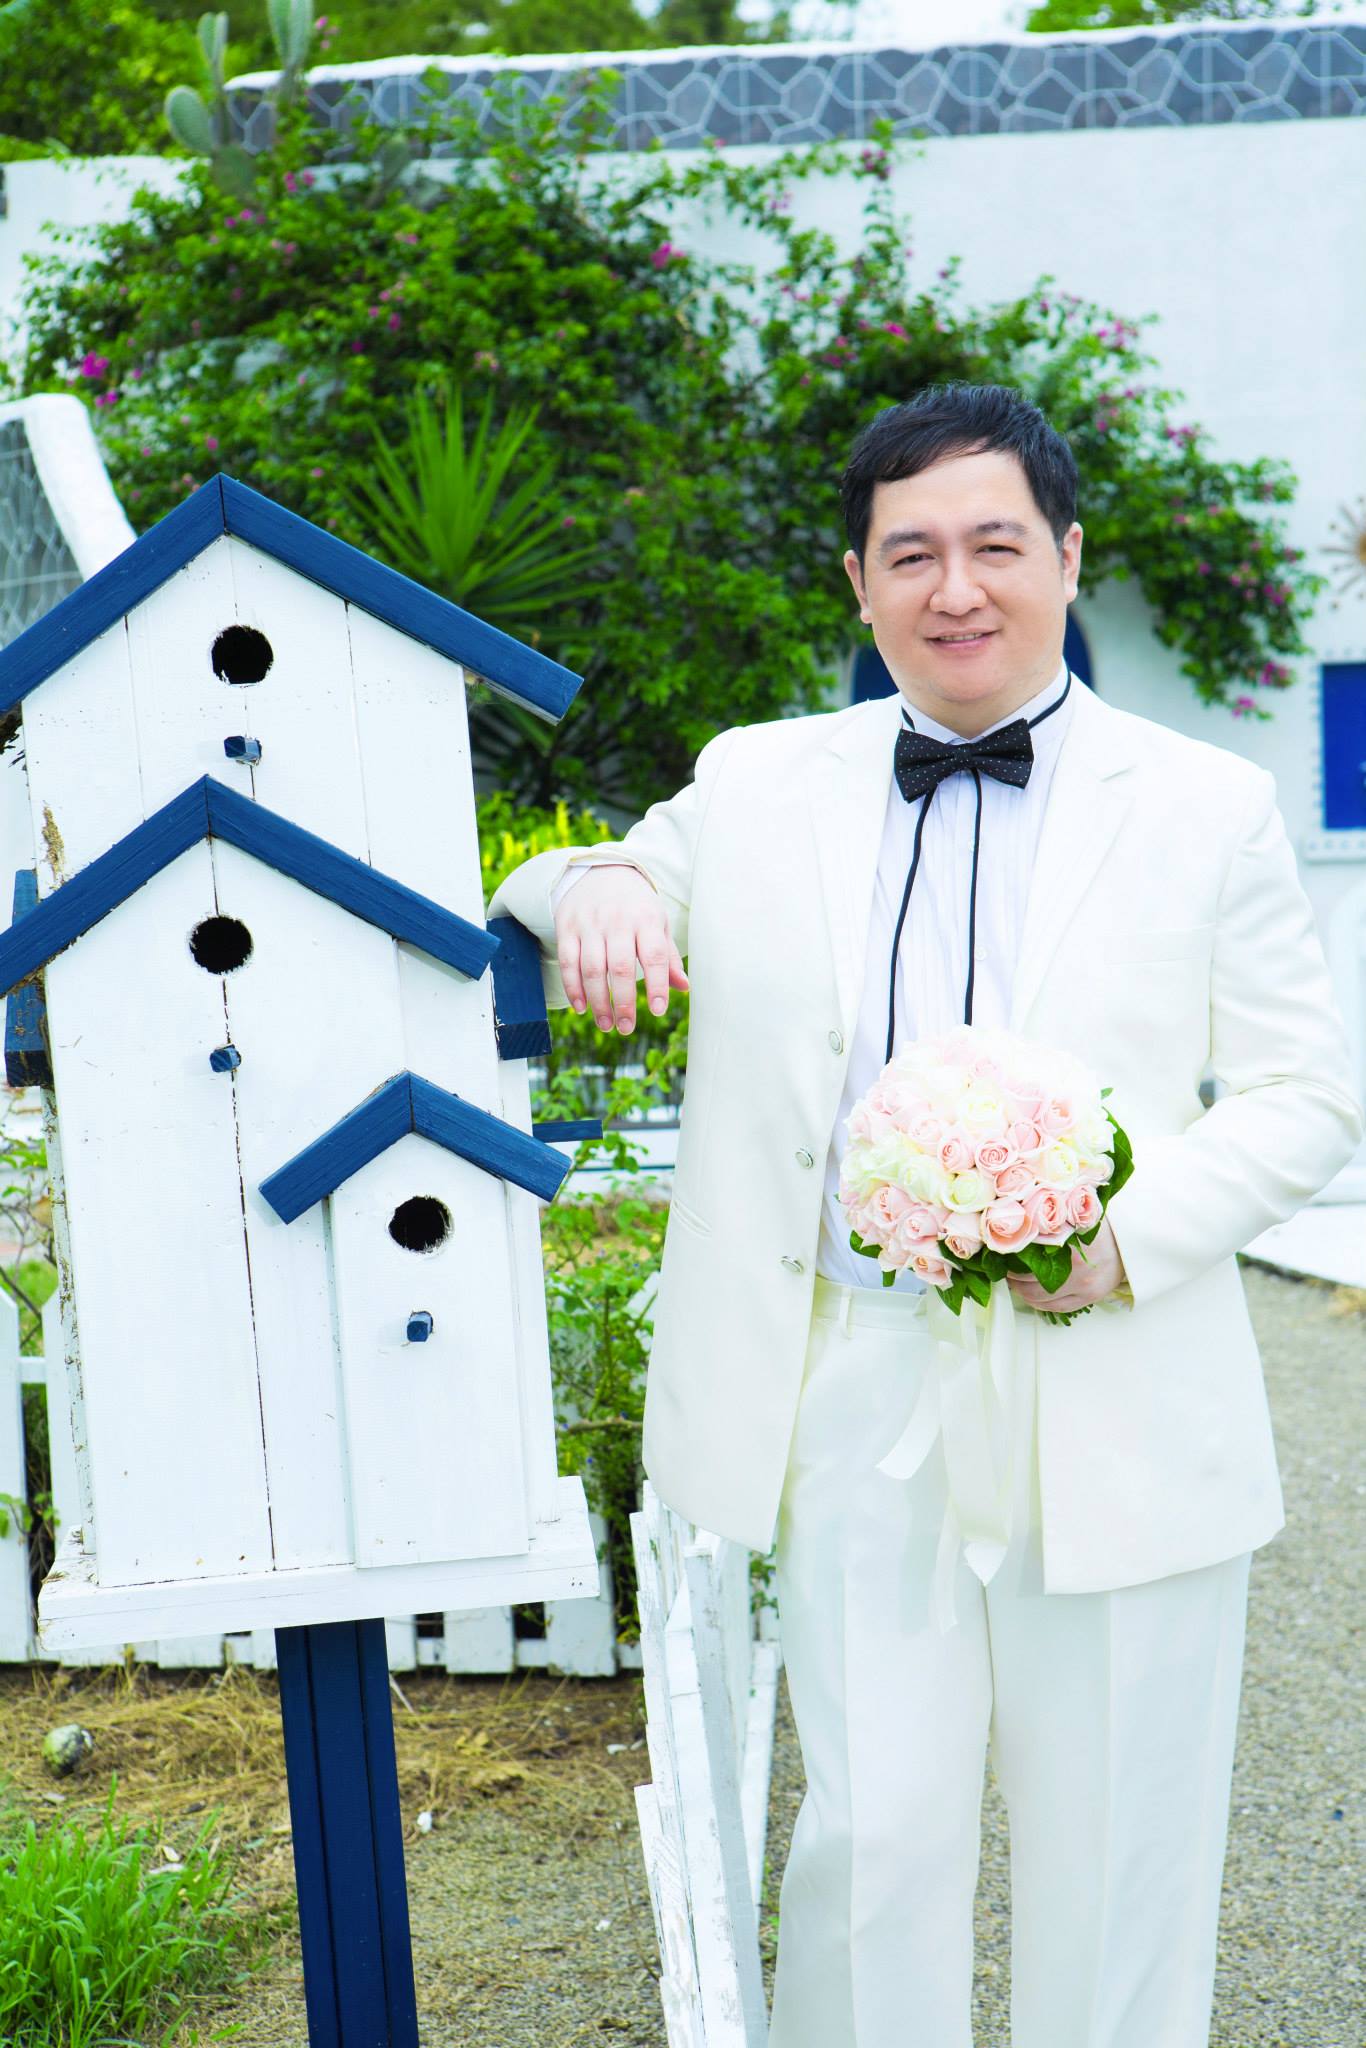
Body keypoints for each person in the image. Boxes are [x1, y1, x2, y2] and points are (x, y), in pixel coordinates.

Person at [486, 383, 1363, 2047]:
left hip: (1111, 1371)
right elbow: (592, 871)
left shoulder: (1204, 804)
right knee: (872, 1838)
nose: (954, 589)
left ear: (1065, 558)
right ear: (858, 582)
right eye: (910, 555)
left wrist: (1120, 1239)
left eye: (993, 546)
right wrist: (594, 881)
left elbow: (1302, 1094)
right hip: (853, 1377)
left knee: (1116, 1854)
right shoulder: (756, 779)